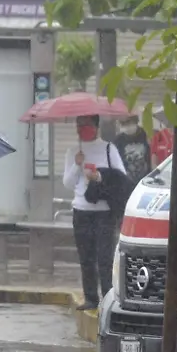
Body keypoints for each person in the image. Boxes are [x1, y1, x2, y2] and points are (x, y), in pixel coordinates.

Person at [63, 115, 126, 310]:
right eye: (79, 125)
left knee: (104, 257)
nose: (82, 128)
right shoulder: (73, 151)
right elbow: (67, 183)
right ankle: (91, 298)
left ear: (96, 126)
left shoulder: (109, 149)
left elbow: (121, 177)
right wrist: (76, 164)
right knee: (86, 257)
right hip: (81, 210)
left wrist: (99, 176)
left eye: (87, 125)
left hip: (104, 212)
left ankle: (108, 298)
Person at [113, 115, 152, 185]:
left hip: (147, 180)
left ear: (135, 121)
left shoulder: (146, 135)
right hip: (127, 181)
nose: (126, 126)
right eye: (123, 124)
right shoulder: (118, 141)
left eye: (128, 122)